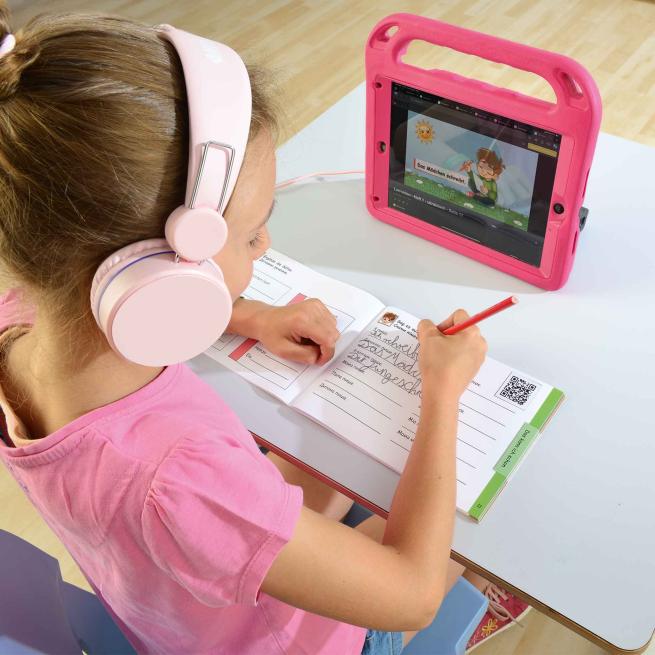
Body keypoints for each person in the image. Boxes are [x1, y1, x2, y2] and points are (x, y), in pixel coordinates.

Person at [0, 6, 527, 654]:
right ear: (157, 278)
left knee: (338, 465)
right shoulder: (180, 476)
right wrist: (442, 392)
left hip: (182, 605)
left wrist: (249, 314)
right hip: (296, 641)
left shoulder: (19, 320)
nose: (266, 244)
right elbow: (410, 591)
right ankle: (490, 586)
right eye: (251, 236)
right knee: (480, 534)